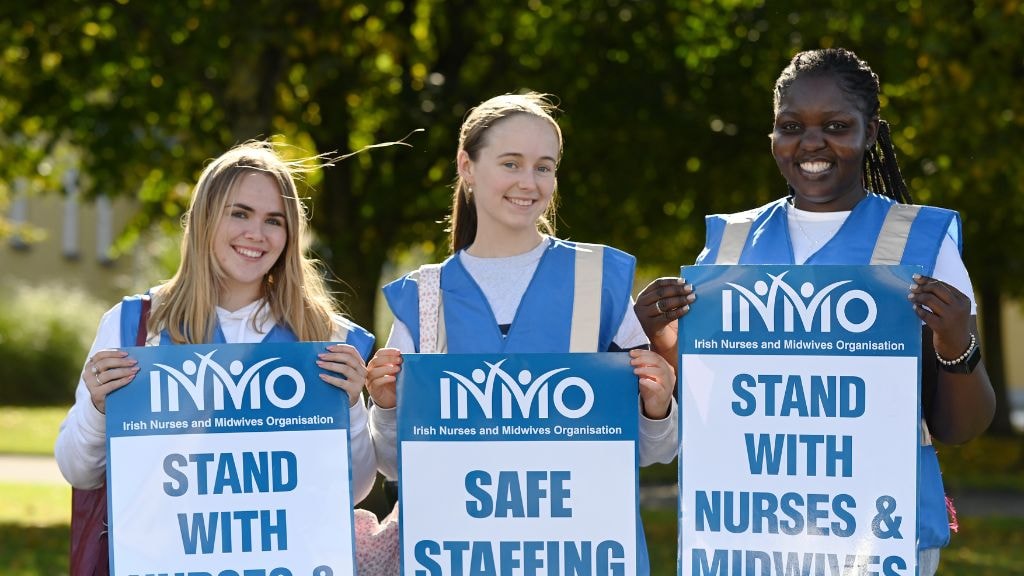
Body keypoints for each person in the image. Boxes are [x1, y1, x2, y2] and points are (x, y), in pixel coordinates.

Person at [638, 48, 996, 574]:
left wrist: (955, 344)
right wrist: (663, 341)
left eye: (835, 125)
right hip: (751, 535)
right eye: (791, 125)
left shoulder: (920, 239)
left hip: (880, 540)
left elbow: (960, 426)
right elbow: (713, 405)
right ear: (772, 136)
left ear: (870, 132)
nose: (811, 143)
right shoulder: (729, 245)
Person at [365, 92, 679, 574]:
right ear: (466, 166)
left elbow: (655, 449)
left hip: (580, 555)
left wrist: (657, 407)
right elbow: (391, 464)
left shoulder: (599, 281)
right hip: (463, 556)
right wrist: (386, 406)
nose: (529, 183)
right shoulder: (425, 298)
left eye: (544, 167)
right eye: (511, 163)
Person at [54, 141, 378, 572]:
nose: (256, 234)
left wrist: (353, 407)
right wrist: (97, 408)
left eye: (273, 221)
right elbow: (78, 471)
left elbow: (352, 490)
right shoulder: (137, 325)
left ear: (290, 234)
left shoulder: (325, 336)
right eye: (239, 213)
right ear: (206, 218)